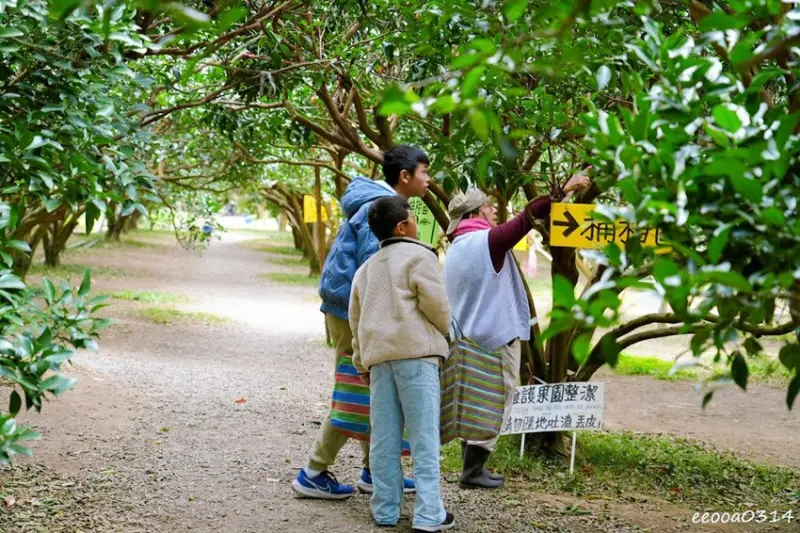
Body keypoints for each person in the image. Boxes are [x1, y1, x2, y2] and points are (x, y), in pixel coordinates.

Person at [292, 145, 431, 500]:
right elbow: (378, 269)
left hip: (348, 305)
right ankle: (313, 471)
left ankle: (375, 471)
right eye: (424, 172)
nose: (429, 180)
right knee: (357, 388)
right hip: (353, 310)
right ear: (405, 176)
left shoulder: (382, 204)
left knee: (373, 388)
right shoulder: (381, 209)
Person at [442, 173, 591, 490]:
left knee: (473, 399)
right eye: (489, 207)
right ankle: (473, 470)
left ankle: (471, 468)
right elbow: (528, 217)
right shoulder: (485, 242)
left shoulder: (457, 246)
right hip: (494, 337)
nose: (494, 212)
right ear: (477, 212)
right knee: (497, 398)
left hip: (467, 335)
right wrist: (563, 190)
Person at [350, 196, 455, 532]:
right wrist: (446, 334)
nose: (415, 223)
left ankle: (385, 510)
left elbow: (357, 320)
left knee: (384, 438)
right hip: (416, 357)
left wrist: (361, 362)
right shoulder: (420, 256)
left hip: (379, 361)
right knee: (424, 438)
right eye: (412, 218)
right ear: (402, 227)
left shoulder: (367, 269)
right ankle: (428, 514)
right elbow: (436, 305)